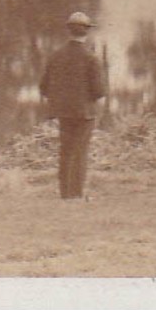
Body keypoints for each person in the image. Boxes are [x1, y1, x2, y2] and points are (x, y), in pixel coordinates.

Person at [39, 11, 106, 200]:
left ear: (69, 31)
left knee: (66, 150)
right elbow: (99, 91)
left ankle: (65, 193)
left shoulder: (55, 56)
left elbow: (43, 87)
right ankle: (76, 194)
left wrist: (59, 99)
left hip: (62, 112)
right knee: (80, 152)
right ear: (86, 32)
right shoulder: (91, 58)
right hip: (84, 113)